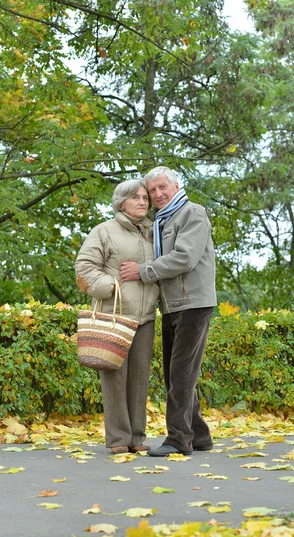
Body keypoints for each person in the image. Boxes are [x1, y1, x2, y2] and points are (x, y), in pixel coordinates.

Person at [120, 166, 216, 457]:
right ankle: (199, 435)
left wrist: (143, 271)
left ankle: (178, 439)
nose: (158, 194)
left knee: (181, 375)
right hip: (172, 305)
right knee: (176, 376)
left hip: (193, 304)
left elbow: (185, 257)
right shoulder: (161, 220)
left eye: (163, 187)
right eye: (152, 191)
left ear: (176, 186)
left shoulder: (192, 214)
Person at [75, 179, 159, 454]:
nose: (143, 201)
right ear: (120, 202)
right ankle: (118, 439)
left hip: (145, 316)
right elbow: (84, 267)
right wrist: (111, 286)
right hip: (114, 316)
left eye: (145, 197)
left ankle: (137, 436)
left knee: (139, 378)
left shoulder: (152, 232)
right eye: (135, 197)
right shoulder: (104, 231)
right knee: (114, 378)